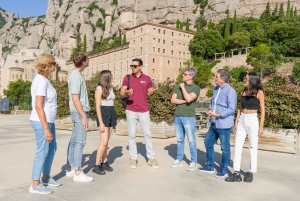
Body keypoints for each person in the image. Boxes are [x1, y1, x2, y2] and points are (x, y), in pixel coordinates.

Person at [29, 54, 61, 194]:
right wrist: (46, 129)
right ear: (48, 66)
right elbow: (38, 106)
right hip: (42, 121)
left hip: (48, 120)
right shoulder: (41, 81)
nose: (56, 65)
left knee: (51, 148)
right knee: (42, 151)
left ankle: (46, 177)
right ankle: (35, 184)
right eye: (54, 63)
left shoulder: (45, 80)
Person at [225, 72, 265, 183]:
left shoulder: (259, 93)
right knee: (237, 147)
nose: (244, 80)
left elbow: (263, 110)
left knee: (253, 147)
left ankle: (251, 172)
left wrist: (261, 126)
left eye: (246, 79)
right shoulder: (243, 92)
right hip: (242, 119)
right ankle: (236, 173)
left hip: (252, 120)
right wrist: (236, 121)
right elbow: (240, 108)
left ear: (252, 80)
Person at [120, 58, 158, 169]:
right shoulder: (127, 78)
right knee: (131, 135)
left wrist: (151, 93)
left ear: (140, 67)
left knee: (148, 134)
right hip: (131, 109)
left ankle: (151, 158)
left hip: (144, 110)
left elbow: (150, 94)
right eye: (131, 66)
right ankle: (133, 158)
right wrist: (126, 93)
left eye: (135, 66)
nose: (133, 67)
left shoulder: (147, 79)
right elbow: (122, 93)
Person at [199, 69, 237, 178]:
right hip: (214, 123)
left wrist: (218, 115)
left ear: (223, 79)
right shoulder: (216, 89)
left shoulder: (231, 91)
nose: (215, 78)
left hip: (224, 124)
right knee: (208, 143)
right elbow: (212, 103)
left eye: (217, 77)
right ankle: (210, 166)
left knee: (225, 148)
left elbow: (231, 109)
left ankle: (223, 170)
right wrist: (209, 110)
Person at [65, 52, 93, 182]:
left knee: (75, 141)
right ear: (83, 62)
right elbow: (75, 99)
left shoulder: (76, 75)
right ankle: (77, 172)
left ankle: (72, 169)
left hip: (78, 112)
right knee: (80, 142)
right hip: (79, 112)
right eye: (88, 59)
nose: (89, 61)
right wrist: (84, 116)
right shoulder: (76, 76)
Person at [170, 67, 200, 171]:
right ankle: (179, 159)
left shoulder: (195, 88)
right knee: (179, 140)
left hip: (188, 117)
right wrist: (184, 101)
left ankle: (193, 161)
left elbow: (189, 98)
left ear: (191, 76)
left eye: (185, 74)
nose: (183, 75)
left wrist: (183, 88)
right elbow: (173, 100)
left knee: (191, 141)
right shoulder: (177, 87)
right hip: (178, 115)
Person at [92, 70, 117, 175]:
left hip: (111, 112)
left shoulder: (110, 88)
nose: (113, 78)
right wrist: (101, 123)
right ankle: (96, 165)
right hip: (103, 113)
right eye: (111, 76)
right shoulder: (99, 89)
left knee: (106, 142)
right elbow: (97, 107)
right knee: (103, 141)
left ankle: (104, 162)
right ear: (106, 78)